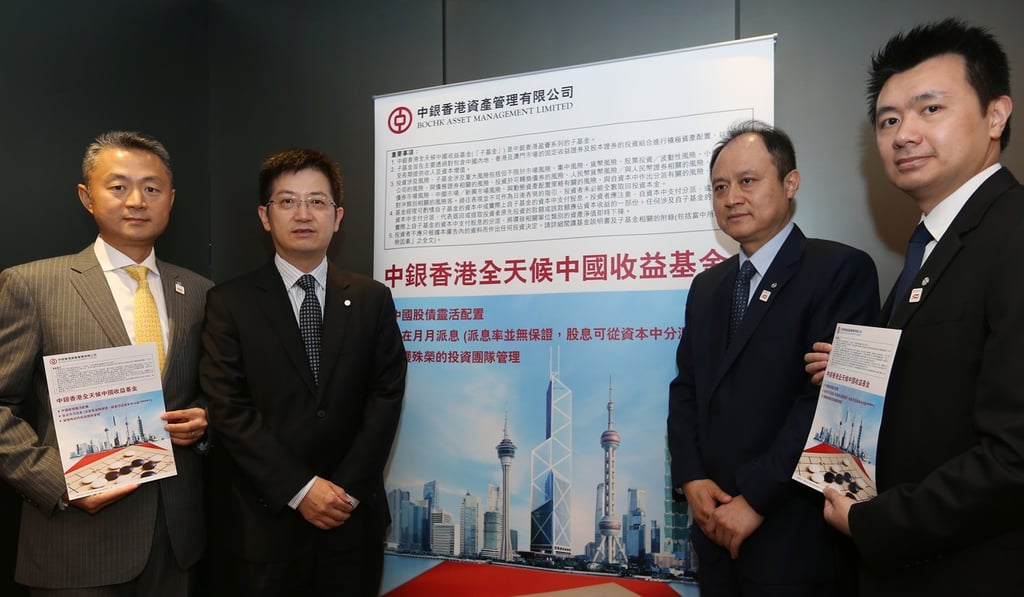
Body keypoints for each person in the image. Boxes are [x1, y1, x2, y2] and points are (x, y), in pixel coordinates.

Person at [804, 18, 1024, 596]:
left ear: (995, 115)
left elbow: (1015, 457)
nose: (903, 134)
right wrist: (861, 374)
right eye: (889, 120)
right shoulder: (930, 246)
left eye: (930, 110)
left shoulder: (1012, 233)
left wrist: (874, 522)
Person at [668, 121, 879, 596]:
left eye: (747, 181)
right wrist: (692, 477)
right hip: (715, 528)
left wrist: (756, 500)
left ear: (790, 183)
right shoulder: (707, 288)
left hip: (796, 533)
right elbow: (688, 388)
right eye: (720, 187)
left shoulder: (840, 271)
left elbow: (830, 403)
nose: (731, 197)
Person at [0, 131, 211, 595]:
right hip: (76, 540)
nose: (137, 200)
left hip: (175, 540)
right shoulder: (32, 285)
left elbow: (211, 389)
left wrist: (204, 418)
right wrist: (59, 484)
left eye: (152, 188)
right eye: (118, 186)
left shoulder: (199, 292)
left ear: (170, 200)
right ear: (86, 196)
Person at [200, 148, 406, 596]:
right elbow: (228, 407)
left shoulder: (372, 299)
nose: (303, 213)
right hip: (264, 522)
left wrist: (345, 492)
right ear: (264, 215)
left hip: (351, 521)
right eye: (287, 201)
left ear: (338, 216)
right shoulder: (229, 303)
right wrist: (299, 488)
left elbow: (386, 397)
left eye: (317, 201)